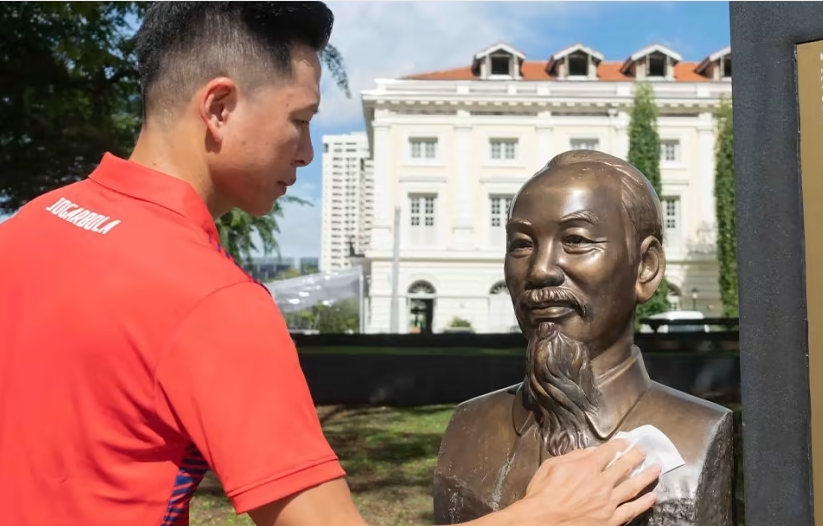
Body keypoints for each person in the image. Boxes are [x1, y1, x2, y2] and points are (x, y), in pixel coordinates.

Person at [0, 3, 661, 526]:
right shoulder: (209, 301)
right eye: (300, 120)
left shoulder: (31, 224)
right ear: (220, 107)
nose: (307, 153)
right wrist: (545, 516)